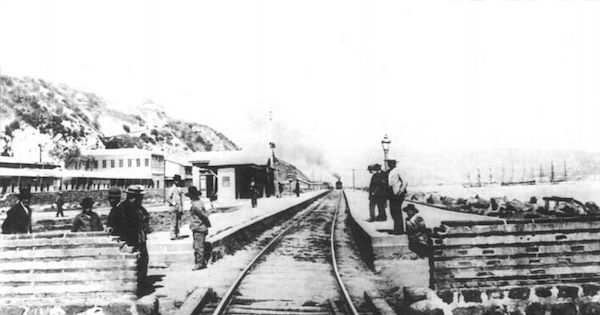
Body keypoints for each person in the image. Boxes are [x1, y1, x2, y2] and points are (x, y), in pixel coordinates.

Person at [120, 185, 151, 290]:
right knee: (134, 260)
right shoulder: (124, 208)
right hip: (130, 239)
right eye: (135, 197)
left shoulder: (139, 208)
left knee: (144, 259)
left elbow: (146, 217)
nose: (138, 200)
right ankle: (135, 283)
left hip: (140, 238)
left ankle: (142, 281)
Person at [187, 186, 211, 270]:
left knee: (198, 247)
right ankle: (199, 262)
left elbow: (203, 215)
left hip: (199, 227)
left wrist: (207, 224)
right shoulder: (198, 203)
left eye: (190, 196)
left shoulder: (196, 205)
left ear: (193, 196)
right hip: (198, 227)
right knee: (196, 246)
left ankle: (200, 264)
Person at [387, 159, 407, 234]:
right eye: (389, 163)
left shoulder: (398, 170)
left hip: (398, 194)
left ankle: (399, 230)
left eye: (391, 163)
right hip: (391, 193)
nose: (389, 164)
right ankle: (397, 228)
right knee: (393, 211)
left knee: (397, 211)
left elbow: (405, 181)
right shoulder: (389, 171)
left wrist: (401, 191)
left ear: (394, 163)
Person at [167, 174, 184, 240]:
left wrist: (181, 208)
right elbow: (168, 198)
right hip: (173, 208)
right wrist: (173, 203)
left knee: (178, 222)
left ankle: (177, 234)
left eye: (179, 180)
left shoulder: (179, 189)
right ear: (174, 181)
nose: (178, 182)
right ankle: (172, 235)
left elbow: (181, 199)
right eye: (176, 180)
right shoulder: (172, 188)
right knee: (173, 222)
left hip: (178, 208)